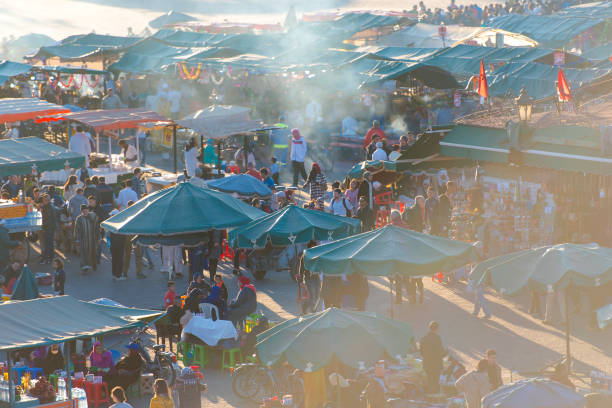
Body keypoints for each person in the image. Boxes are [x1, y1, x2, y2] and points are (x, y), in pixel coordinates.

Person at [419, 321, 445, 394]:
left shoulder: (423, 338)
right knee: (435, 382)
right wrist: (446, 352)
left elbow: (421, 352)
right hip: (436, 365)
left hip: (426, 364)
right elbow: (441, 352)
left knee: (429, 380)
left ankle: (429, 396)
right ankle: (434, 398)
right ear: (437, 329)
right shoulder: (437, 338)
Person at [74, 204, 100, 273]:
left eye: (86, 210)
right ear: (81, 211)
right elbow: (77, 230)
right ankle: (84, 266)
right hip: (83, 239)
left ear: (88, 210)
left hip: (92, 238)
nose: (85, 212)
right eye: (83, 211)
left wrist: (98, 238)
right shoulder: (79, 219)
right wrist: (76, 239)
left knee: (93, 252)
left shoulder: (93, 217)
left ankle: (93, 264)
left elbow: (97, 228)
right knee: (83, 253)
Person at [39, 194, 57, 264]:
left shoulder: (48, 207)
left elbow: (48, 219)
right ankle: (50, 258)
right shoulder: (47, 207)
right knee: (49, 243)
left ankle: (48, 258)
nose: (44, 201)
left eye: (45, 200)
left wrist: (43, 226)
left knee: (48, 243)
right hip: (49, 227)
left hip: (49, 227)